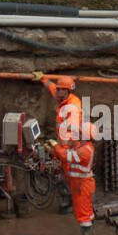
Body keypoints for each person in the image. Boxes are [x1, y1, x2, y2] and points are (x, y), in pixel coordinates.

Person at [52, 122, 96, 235]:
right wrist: (58, 147)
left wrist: (55, 147)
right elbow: (68, 149)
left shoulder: (85, 150)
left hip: (82, 186)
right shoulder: (81, 145)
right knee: (88, 212)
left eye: (81, 132)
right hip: (81, 185)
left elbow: (67, 156)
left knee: (84, 215)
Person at [43, 75, 82, 214]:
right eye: (58, 89)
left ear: (66, 91)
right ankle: (68, 200)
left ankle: (72, 203)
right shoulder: (63, 98)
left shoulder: (72, 108)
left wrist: (59, 149)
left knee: (69, 178)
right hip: (63, 145)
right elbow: (53, 89)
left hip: (70, 147)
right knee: (63, 176)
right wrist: (43, 79)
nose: (57, 91)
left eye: (60, 89)